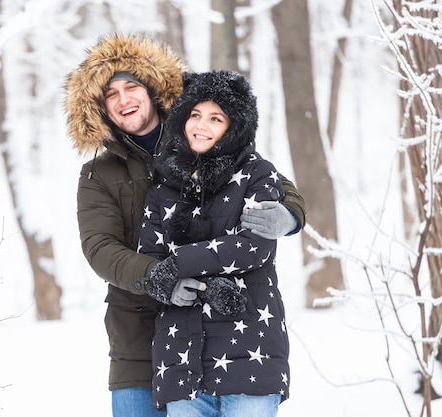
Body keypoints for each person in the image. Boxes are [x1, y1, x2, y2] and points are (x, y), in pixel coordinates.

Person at [64, 33, 304, 417]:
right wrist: (161, 275)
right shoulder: (98, 173)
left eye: (131, 86)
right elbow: (99, 248)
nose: (124, 99)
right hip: (139, 338)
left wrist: (290, 214)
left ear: (152, 88)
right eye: (111, 94)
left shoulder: (199, 135)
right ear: (98, 108)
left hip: (221, 329)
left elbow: (268, 182)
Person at [140, 70, 290, 417]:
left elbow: (255, 245)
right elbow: (149, 257)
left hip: (250, 358)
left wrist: (178, 264)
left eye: (215, 118)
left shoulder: (258, 173)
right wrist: (167, 286)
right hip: (181, 364)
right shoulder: (164, 184)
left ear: (234, 126)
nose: (200, 126)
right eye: (194, 115)